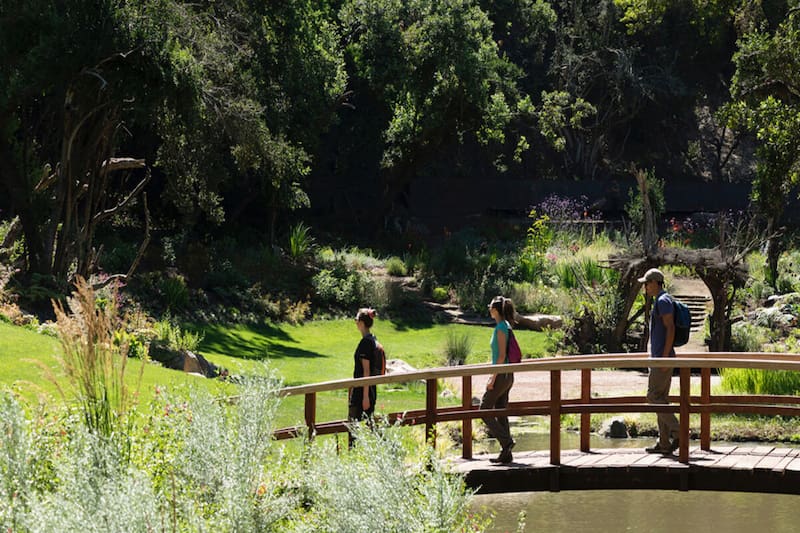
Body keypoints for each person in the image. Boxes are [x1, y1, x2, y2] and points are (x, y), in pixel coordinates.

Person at [639, 268, 681, 454]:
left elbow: (670, 328)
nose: (645, 287)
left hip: (661, 358)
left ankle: (679, 431)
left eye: (647, 283)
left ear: (655, 282)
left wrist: (663, 358)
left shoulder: (663, 301)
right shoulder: (662, 300)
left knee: (653, 397)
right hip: (660, 357)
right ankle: (664, 443)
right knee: (661, 399)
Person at [480, 295, 516, 464]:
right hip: (507, 375)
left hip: (501, 375)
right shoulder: (505, 326)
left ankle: (506, 442)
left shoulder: (501, 328)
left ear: (495, 310)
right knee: (500, 410)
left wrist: (492, 378)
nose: (489, 309)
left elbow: (501, 356)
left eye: (490, 307)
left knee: (484, 409)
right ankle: (506, 454)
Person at [348, 307, 380, 445]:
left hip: (362, 391)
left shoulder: (365, 343)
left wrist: (365, 397)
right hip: (369, 389)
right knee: (368, 424)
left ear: (361, 323)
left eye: (356, 319)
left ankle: (353, 454)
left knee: (353, 425)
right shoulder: (372, 339)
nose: (355, 322)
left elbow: (366, 371)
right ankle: (381, 449)